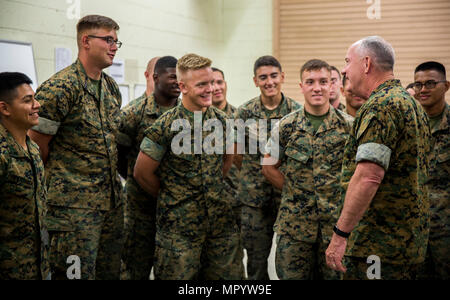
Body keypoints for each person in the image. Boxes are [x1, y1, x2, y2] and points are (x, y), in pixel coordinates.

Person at [325, 36, 432, 280]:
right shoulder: (411, 105)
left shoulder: (380, 107)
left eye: (347, 62)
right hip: (408, 245)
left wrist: (340, 235)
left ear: (366, 64)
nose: (343, 70)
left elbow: (369, 177)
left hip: (376, 246)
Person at [28, 15, 125, 280]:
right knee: (74, 276)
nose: (114, 46)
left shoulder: (110, 86)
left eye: (116, 41)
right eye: (108, 40)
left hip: (111, 206)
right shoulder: (60, 87)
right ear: (86, 41)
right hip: (73, 211)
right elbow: (36, 147)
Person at [133, 53, 244, 280]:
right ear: (183, 86)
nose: (210, 89)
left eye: (212, 82)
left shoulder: (223, 122)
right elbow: (142, 173)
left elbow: (226, 162)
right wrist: (172, 196)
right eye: (201, 84)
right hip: (178, 231)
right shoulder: (166, 125)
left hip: (219, 226)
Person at [262, 59, 353, 280]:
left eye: (323, 81)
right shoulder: (285, 126)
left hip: (335, 227)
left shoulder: (349, 126)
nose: (317, 87)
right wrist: (296, 191)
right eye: (310, 82)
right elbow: (268, 166)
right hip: (295, 229)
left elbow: (358, 174)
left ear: (332, 85)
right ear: (301, 86)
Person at [236, 55, 301, 280]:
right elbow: (236, 155)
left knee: (290, 259)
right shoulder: (244, 113)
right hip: (254, 200)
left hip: (287, 195)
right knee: (255, 258)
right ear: (255, 81)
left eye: (274, 76)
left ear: (282, 77)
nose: (269, 82)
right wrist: (252, 175)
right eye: (263, 77)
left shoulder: (296, 112)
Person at [118, 56, 180, 280]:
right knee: (135, 270)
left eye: (180, 77)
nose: (177, 82)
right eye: (172, 76)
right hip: (140, 212)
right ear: (155, 77)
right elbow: (119, 156)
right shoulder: (133, 114)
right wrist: (140, 181)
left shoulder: (187, 113)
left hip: (177, 212)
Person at [0, 72, 50, 280]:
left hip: (38, 266)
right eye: (28, 100)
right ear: (5, 108)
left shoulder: (33, 149)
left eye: (35, 98)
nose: (36, 105)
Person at [413, 61, 450, 280]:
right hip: (414, 229)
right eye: (418, 85)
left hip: (445, 230)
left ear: (445, 86)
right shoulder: (408, 124)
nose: (423, 90)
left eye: (430, 83)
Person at [211, 67, 242, 227]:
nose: (216, 87)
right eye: (211, 83)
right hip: (208, 201)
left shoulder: (240, 117)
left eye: (219, 82)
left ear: (225, 84)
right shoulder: (197, 119)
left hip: (237, 198)